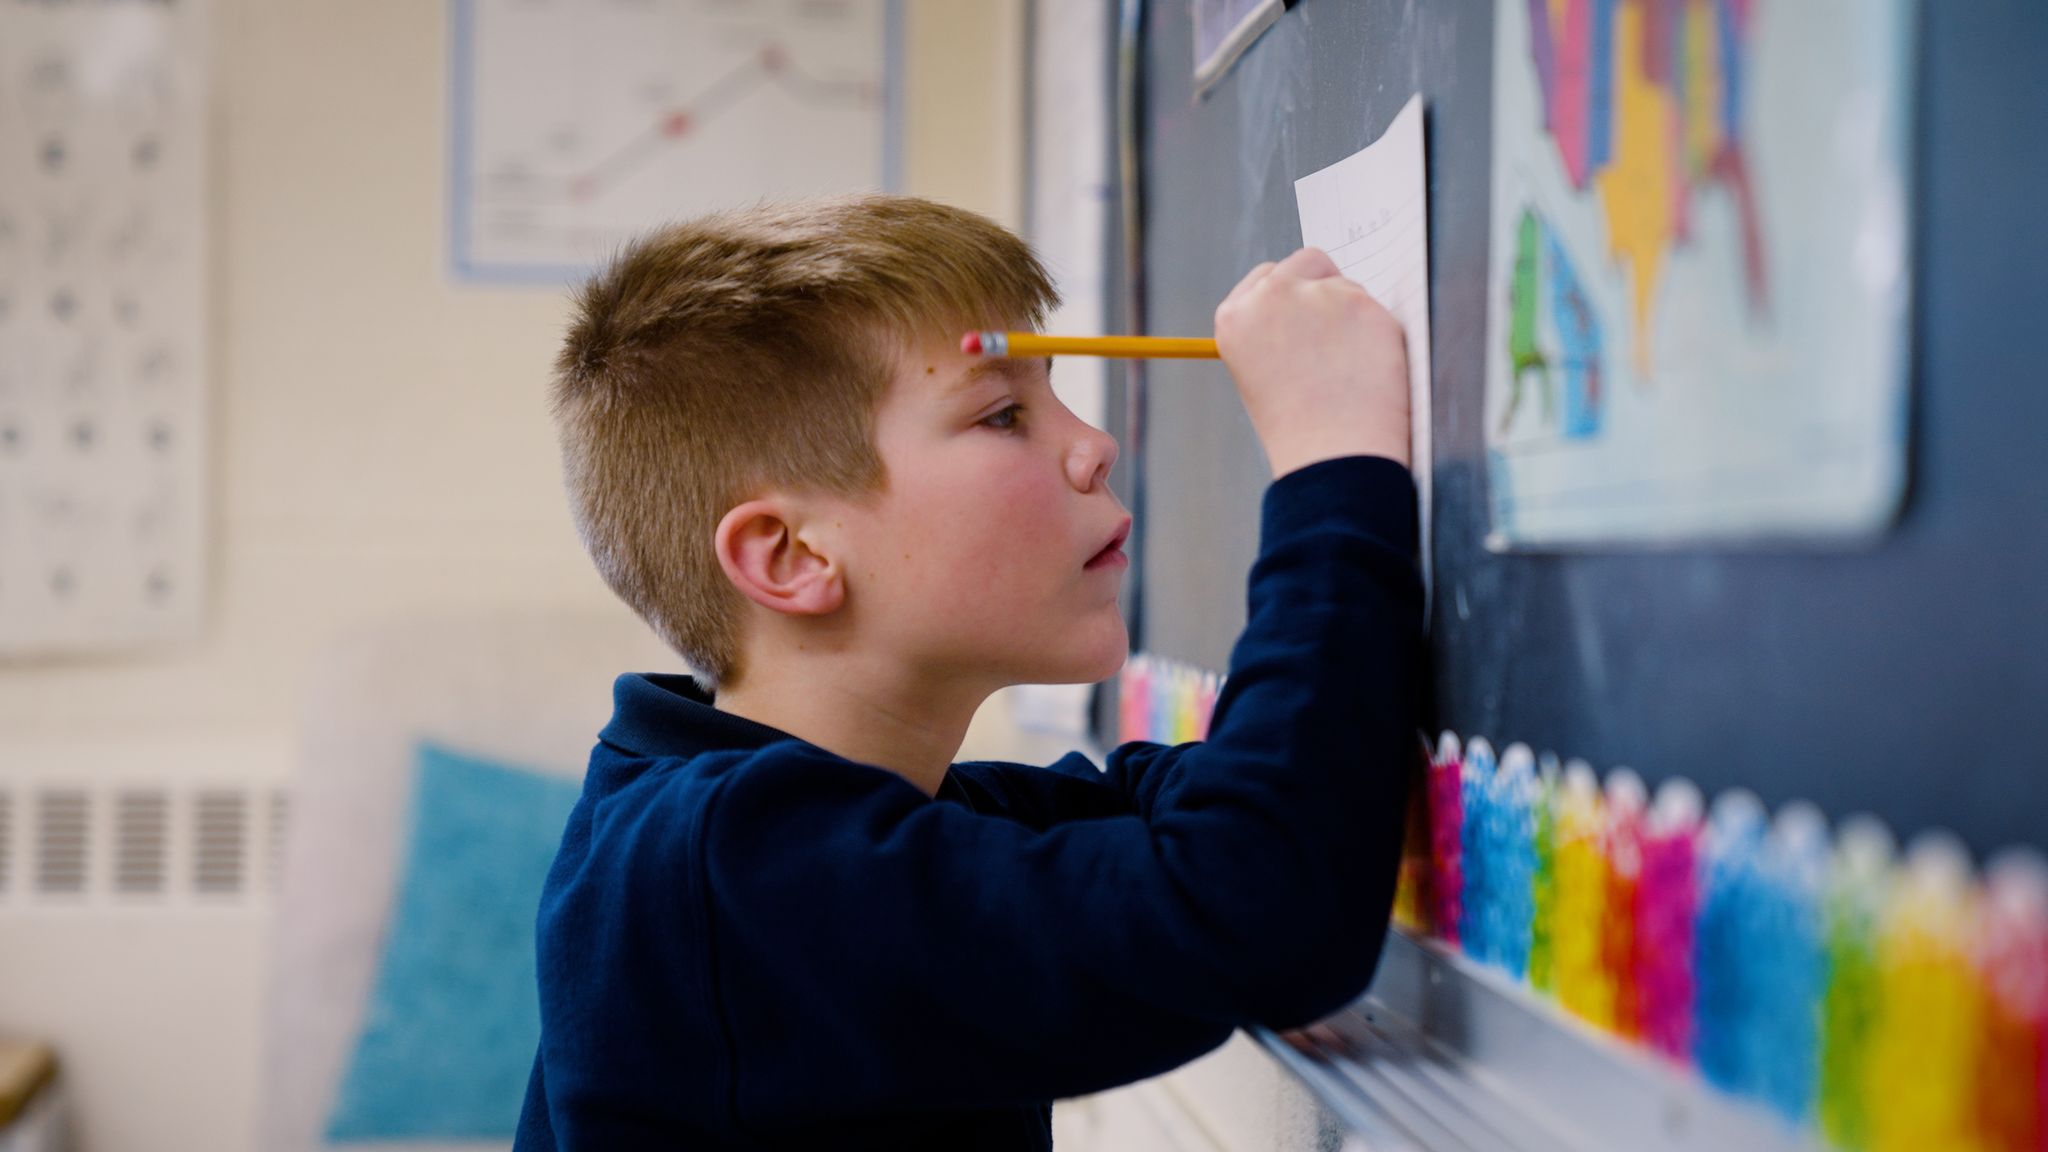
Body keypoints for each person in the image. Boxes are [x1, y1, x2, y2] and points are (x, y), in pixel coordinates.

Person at [515, 195, 1422, 1151]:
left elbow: (1202, 829)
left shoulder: (851, 820)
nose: (1094, 444)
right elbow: (1262, 911)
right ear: (790, 556)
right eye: (1002, 414)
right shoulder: (728, 876)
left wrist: (1287, 850)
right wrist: (1334, 466)